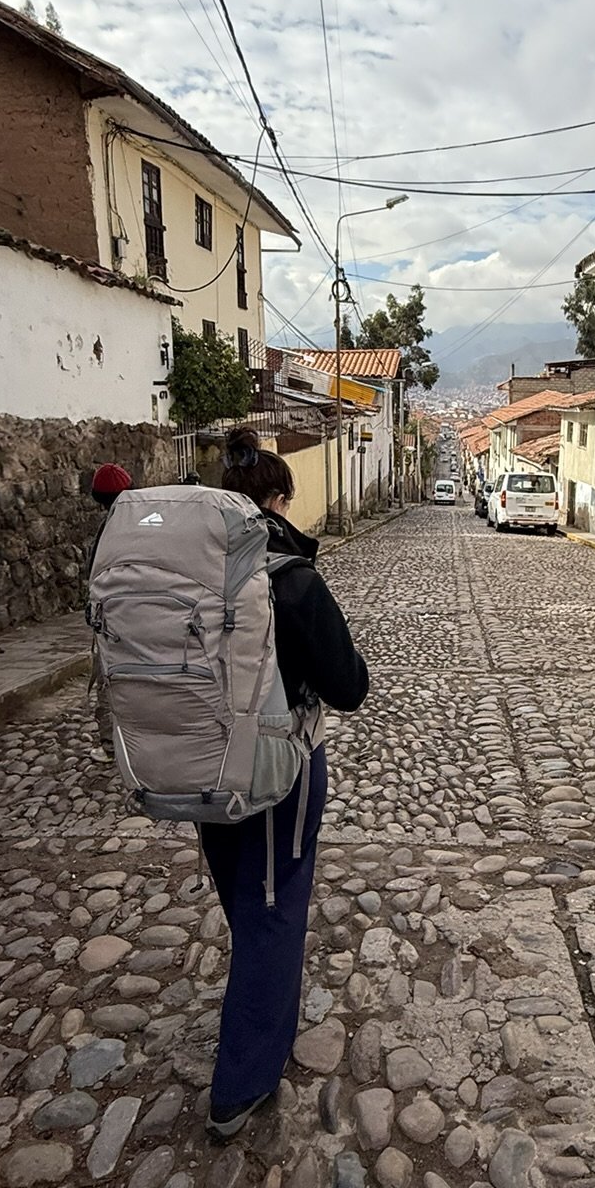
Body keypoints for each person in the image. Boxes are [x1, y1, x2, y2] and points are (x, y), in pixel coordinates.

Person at [203, 427, 369, 1138]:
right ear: (271, 501)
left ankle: (259, 998)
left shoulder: (186, 571)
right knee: (272, 904)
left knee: (245, 894)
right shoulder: (287, 578)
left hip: (200, 764)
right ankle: (240, 1084)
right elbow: (349, 685)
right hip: (276, 771)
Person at [85, 464, 131, 754]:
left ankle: (109, 742)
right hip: (142, 610)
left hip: (111, 612)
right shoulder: (146, 522)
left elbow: (94, 572)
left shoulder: (107, 529)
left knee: (107, 677)